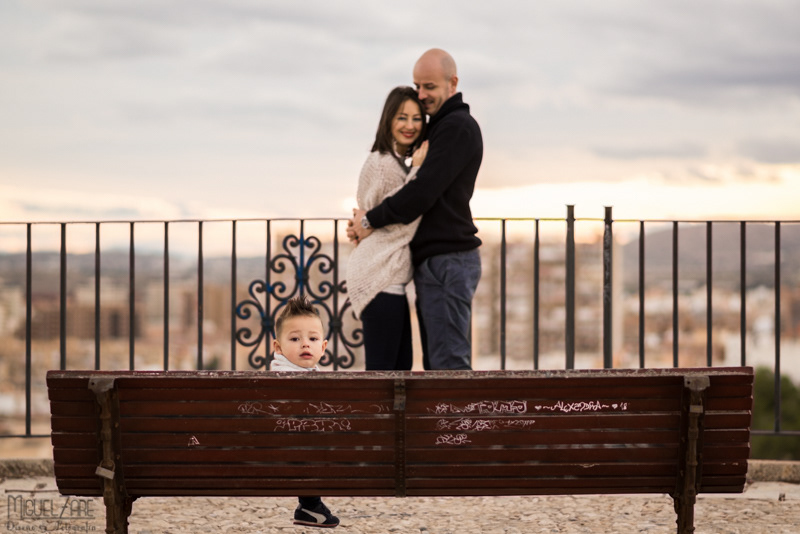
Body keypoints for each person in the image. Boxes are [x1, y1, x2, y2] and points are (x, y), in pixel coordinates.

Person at [348, 48, 483, 371]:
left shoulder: (456, 127)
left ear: (453, 83)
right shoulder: (440, 126)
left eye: (430, 86)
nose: (421, 95)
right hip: (438, 261)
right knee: (437, 364)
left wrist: (369, 220)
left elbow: (420, 194)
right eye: (417, 86)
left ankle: (458, 409)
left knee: (447, 365)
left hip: (448, 260)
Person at [346, 86, 428, 370]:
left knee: (397, 372)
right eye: (402, 117)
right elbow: (407, 217)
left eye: (416, 118)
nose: (409, 125)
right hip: (380, 278)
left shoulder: (389, 160)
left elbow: (374, 213)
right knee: (384, 374)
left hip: (385, 277)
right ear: (388, 119)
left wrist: (365, 223)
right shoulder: (386, 164)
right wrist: (418, 170)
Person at [270, 296, 340, 529]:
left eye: (312, 338)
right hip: (289, 456)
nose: (305, 344)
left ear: (323, 346)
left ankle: (310, 507)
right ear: (278, 347)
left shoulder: (275, 377)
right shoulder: (292, 382)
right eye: (295, 338)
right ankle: (311, 505)